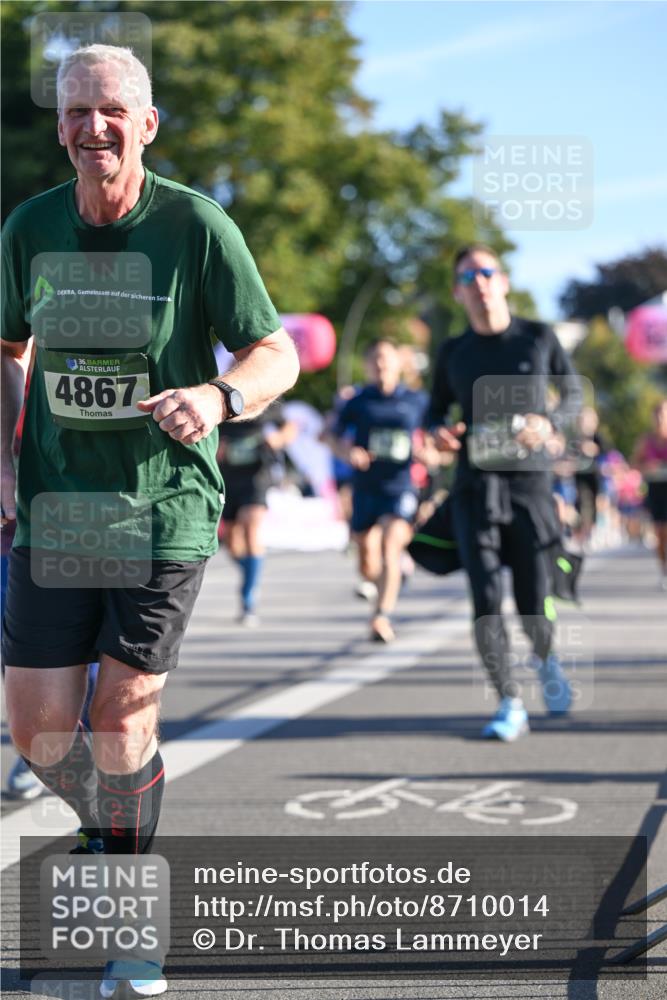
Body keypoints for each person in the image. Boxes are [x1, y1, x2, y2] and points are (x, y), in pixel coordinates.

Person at [1, 44, 298, 996]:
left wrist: (217, 397)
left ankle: (133, 915)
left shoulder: (195, 227)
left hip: (161, 507)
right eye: (78, 111)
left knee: (121, 711)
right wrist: (5, 453)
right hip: (55, 507)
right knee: (42, 733)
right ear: (59, 127)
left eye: (113, 111)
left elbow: (274, 349)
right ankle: (114, 830)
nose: (94, 128)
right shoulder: (29, 227)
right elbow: (6, 345)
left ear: (148, 124)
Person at [427, 244, 578, 741]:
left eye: (488, 272)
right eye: (469, 276)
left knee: (534, 601)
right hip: (475, 487)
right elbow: (434, 414)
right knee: (486, 598)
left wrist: (549, 420)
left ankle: (546, 658)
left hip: (531, 485)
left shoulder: (538, 337)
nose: (480, 282)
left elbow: (574, 393)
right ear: (458, 291)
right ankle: (509, 701)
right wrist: (439, 434)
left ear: (504, 281)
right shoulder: (452, 352)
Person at [328, 339, 429, 642]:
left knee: (390, 548)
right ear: (368, 365)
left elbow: (436, 437)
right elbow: (332, 437)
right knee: (368, 562)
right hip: (366, 487)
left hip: (399, 486)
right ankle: (391, 578)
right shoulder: (358, 400)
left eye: (386, 358)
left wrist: (430, 452)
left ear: (399, 363)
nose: (381, 364)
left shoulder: (417, 400)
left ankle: (380, 617)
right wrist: (348, 454)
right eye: (375, 359)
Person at [217, 402, 297, 625]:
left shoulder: (264, 394)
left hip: (256, 476)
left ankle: (248, 601)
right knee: (232, 544)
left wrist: (277, 439)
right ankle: (251, 570)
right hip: (228, 477)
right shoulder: (219, 392)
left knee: (251, 527)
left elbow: (290, 428)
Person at [632, 399, 667, 589]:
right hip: (655, 488)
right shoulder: (647, 441)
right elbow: (635, 464)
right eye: (658, 414)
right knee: (660, 532)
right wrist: (647, 467)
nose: (660, 418)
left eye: (664, 413)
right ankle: (664, 570)